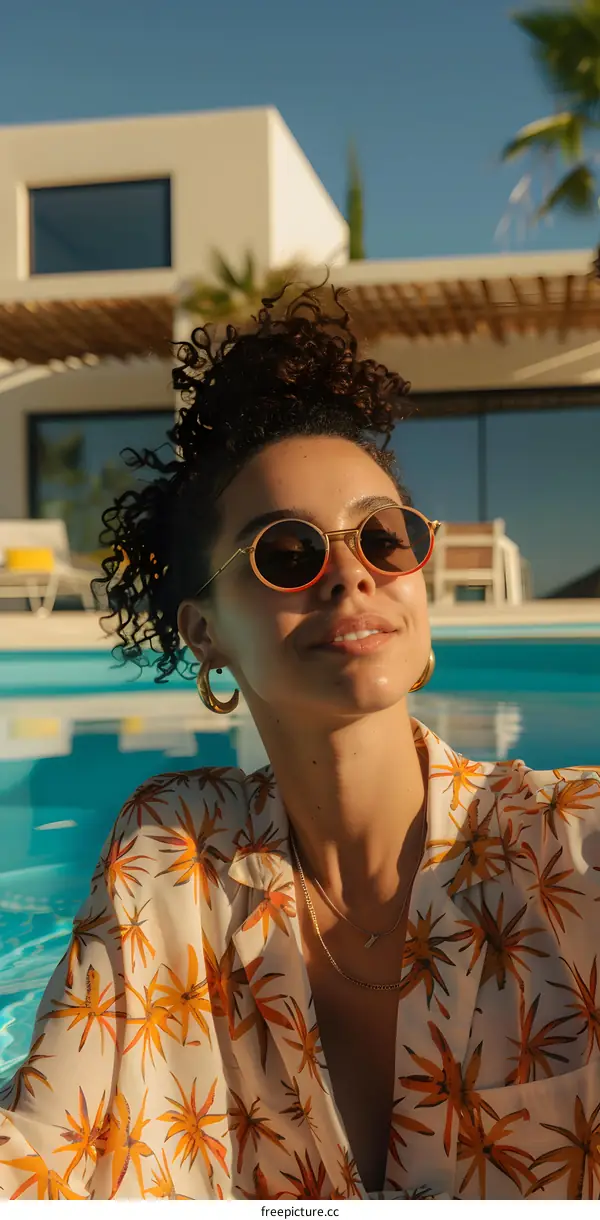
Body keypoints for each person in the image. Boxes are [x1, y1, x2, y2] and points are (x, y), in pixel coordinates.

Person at [1, 286, 599, 1202]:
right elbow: (40, 1153)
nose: (352, 573)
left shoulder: (566, 846)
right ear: (205, 634)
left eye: (383, 538)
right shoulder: (177, 856)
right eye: (286, 552)